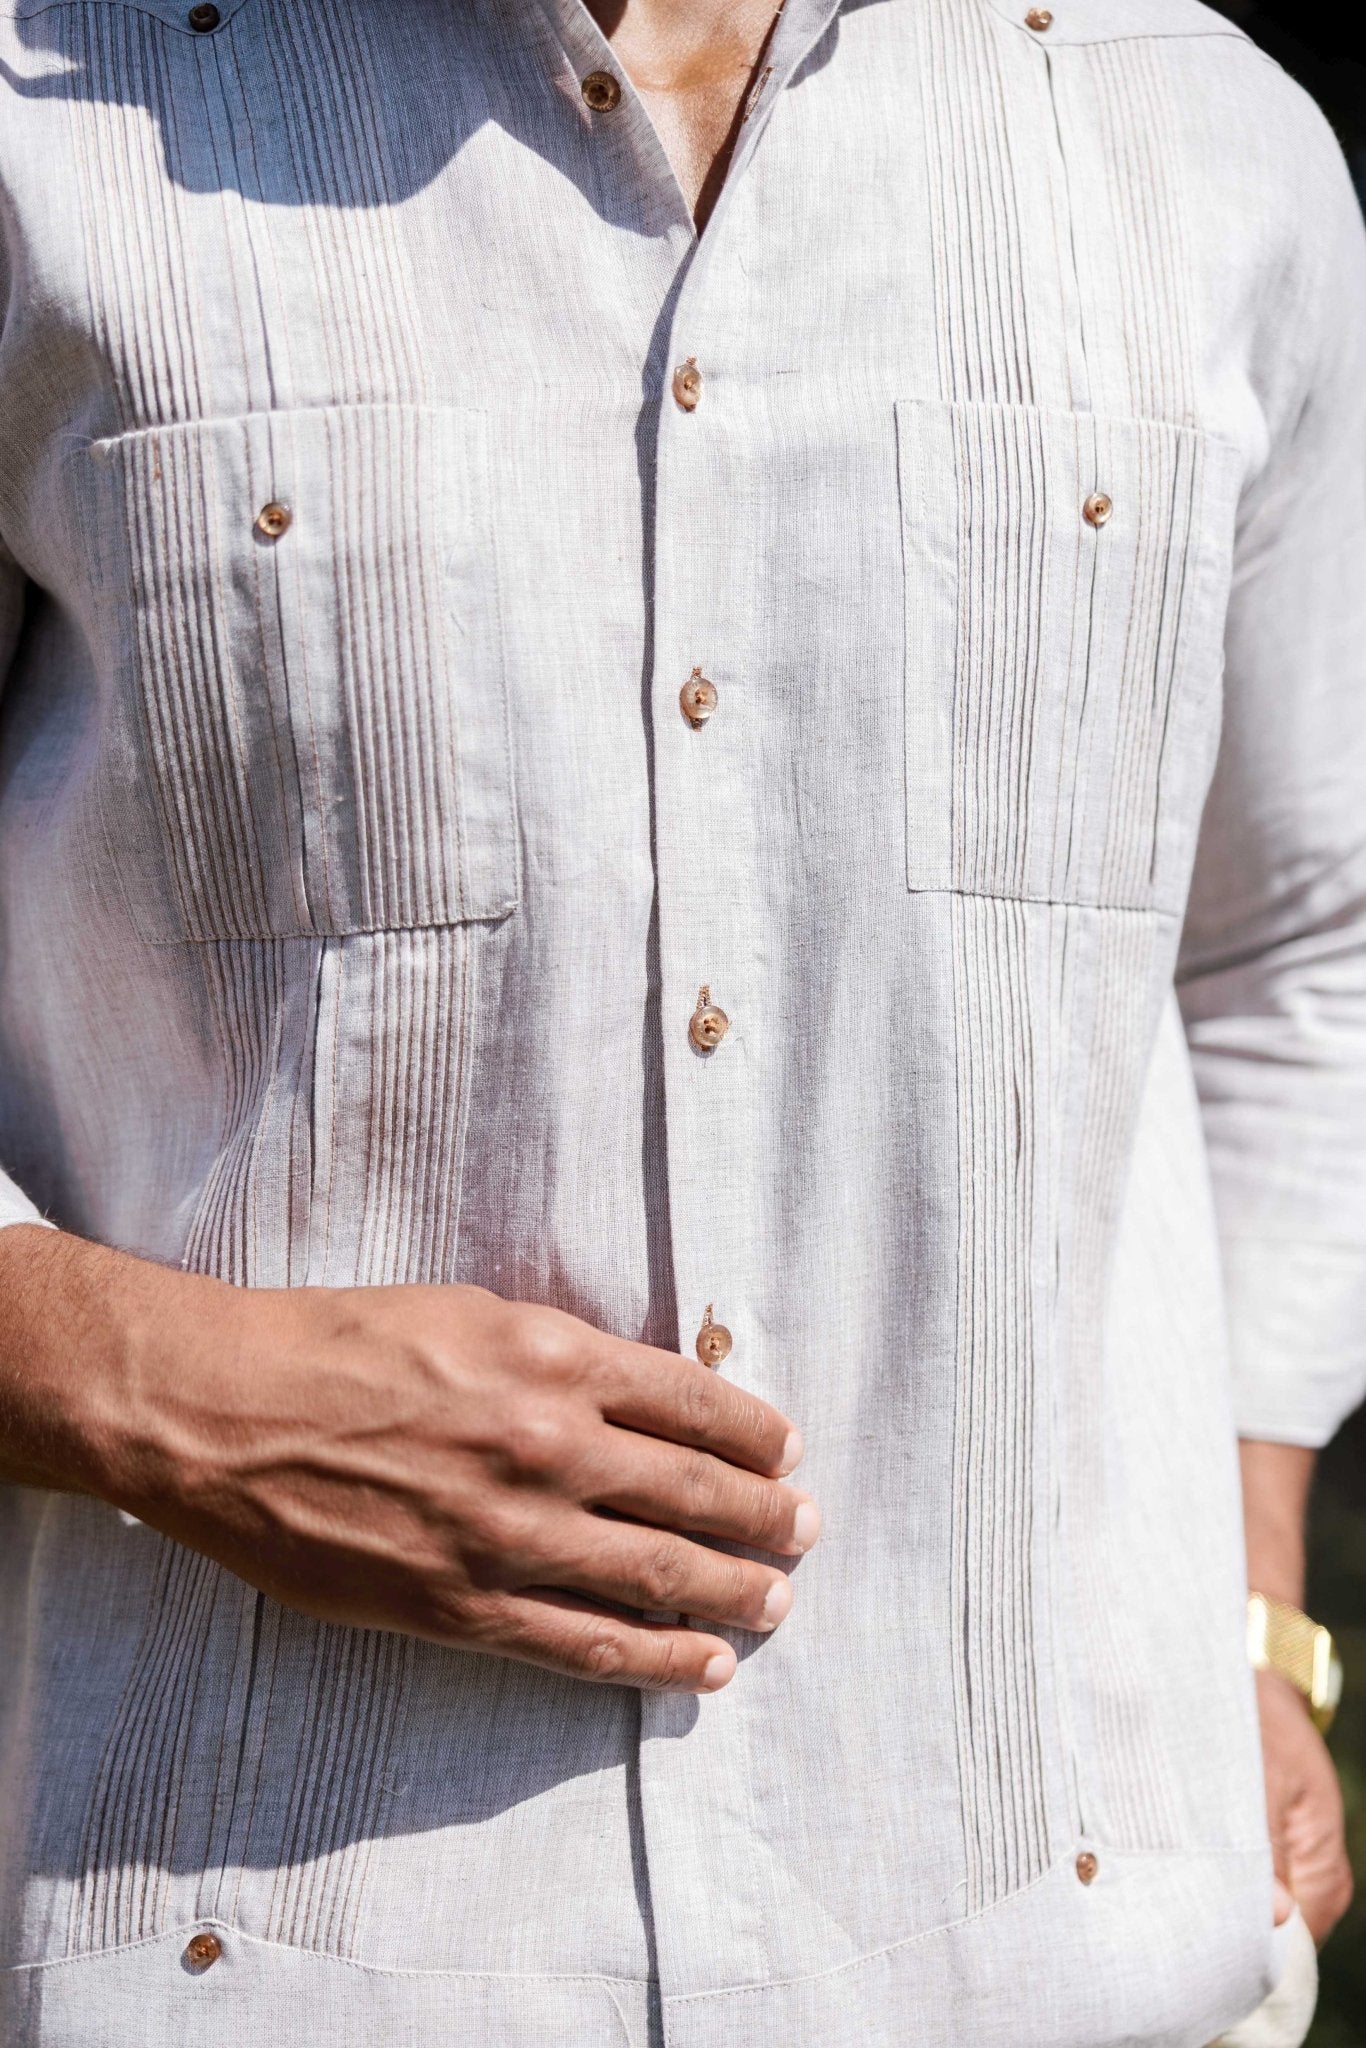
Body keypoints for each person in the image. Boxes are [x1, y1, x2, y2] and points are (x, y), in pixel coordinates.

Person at [0, 0, 1359, 2041]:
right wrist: (155, 1387)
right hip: (272, 1967)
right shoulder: (47, 123)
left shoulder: (1204, 137)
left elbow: (1286, 950)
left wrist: (1252, 1607)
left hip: (1058, 1963)